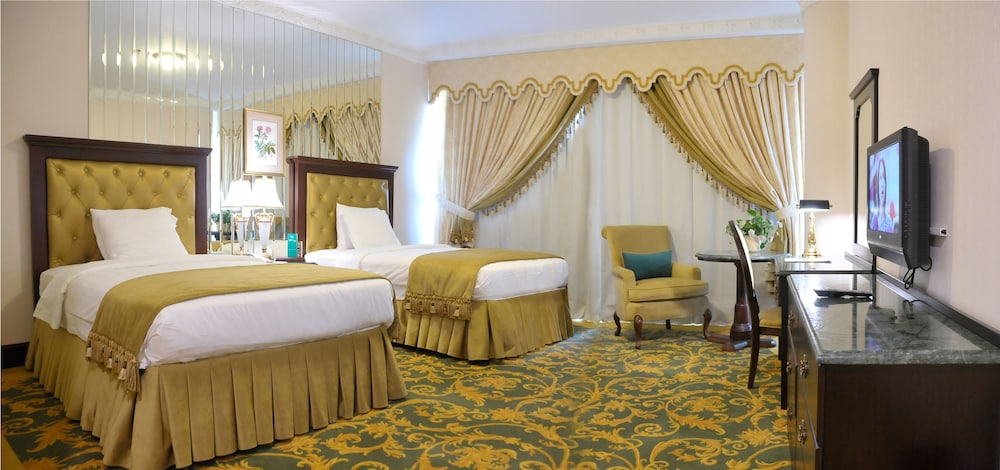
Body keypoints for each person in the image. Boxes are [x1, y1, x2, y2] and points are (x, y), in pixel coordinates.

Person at [869, 157, 896, 232]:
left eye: (884, 177)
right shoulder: (873, 220)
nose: (882, 184)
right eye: (880, 177)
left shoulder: (889, 222)